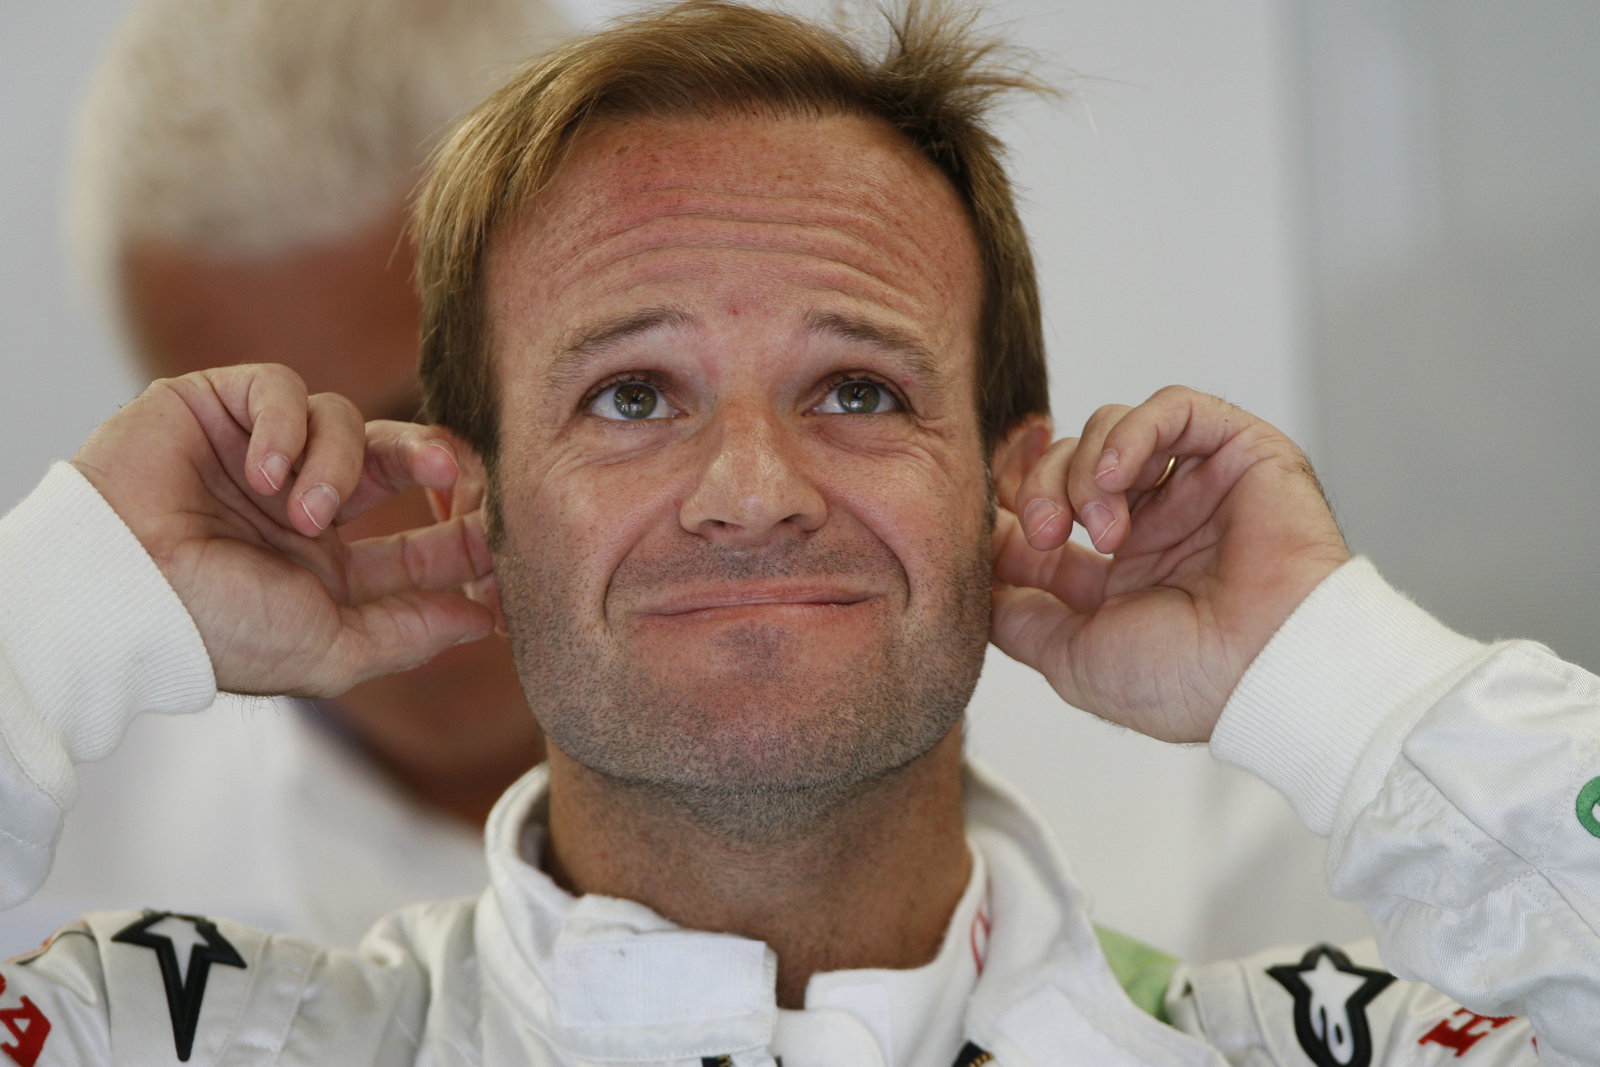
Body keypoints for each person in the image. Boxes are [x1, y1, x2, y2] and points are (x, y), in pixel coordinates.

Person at [0, 2, 1590, 1063]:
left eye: (857, 388)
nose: (751, 487)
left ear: (1007, 486)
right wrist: (59, 609)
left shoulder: (1337, 1043)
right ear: (471, 501)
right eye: (631, 396)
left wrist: (1346, 680)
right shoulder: (164, 1031)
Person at [0, 0, 570, 949]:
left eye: (438, 413)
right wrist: (46, 614)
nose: (378, 528)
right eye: (259, 457)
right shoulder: (54, 859)